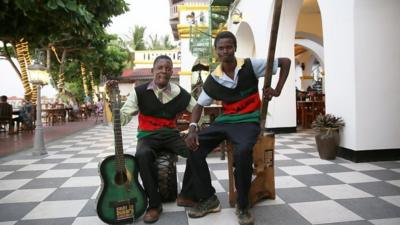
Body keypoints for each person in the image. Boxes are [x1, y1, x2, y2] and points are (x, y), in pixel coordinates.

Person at [185, 31, 291, 225]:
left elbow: (285, 62)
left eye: (229, 47)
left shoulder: (250, 66)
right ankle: (209, 199)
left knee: (242, 152)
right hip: (225, 121)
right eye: (221, 48)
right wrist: (192, 128)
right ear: (216, 51)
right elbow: (199, 105)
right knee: (193, 146)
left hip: (248, 121)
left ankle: (242, 205)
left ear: (234, 48)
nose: (225, 51)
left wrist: (277, 90)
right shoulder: (213, 78)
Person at [106, 55, 197, 224]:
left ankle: (186, 193)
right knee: (142, 155)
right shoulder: (139, 93)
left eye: (168, 68)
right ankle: (154, 205)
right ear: (152, 71)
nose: (164, 71)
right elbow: (123, 118)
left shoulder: (179, 93)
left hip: (171, 135)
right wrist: (114, 105)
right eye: (160, 67)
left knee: (195, 150)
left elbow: (198, 109)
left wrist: (192, 128)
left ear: (172, 72)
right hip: (148, 136)